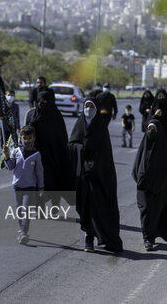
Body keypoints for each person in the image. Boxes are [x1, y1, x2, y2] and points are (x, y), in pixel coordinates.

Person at [69, 100, 123, 253]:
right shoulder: (79, 125)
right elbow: (72, 144)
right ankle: (89, 236)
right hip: (82, 175)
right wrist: (81, 148)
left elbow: (105, 155)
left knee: (97, 208)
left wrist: (95, 164)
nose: (88, 109)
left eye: (92, 107)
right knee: (85, 208)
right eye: (86, 106)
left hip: (98, 176)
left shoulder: (101, 129)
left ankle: (93, 238)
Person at [132, 120, 167, 251]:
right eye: (149, 128)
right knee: (145, 210)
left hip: (158, 187)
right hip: (143, 185)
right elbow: (136, 166)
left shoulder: (162, 147)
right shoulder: (143, 145)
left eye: (154, 129)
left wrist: (163, 183)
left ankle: (152, 236)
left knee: (155, 212)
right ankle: (147, 238)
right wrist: (140, 179)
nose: (151, 131)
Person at [2, 126, 44, 245]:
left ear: (34, 138)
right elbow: (10, 167)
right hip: (17, 186)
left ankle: (24, 232)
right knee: (19, 210)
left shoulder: (36, 155)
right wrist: (7, 156)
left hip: (30, 187)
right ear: (20, 138)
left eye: (29, 138)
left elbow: (39, 171)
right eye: (24, 138)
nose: (27, 140)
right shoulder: (16, 151)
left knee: (26, 210)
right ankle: (22, 229)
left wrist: (41, 186)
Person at [29, 90, 73, 198]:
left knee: (54, 183)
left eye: (44, 101)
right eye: (39, 101)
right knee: (38, 185)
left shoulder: (57, 118)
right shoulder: (35, 117)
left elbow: (62, 139)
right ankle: (40, 210)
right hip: (39, 157)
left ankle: (55, 204)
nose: (41, 104)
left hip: (54, 157)